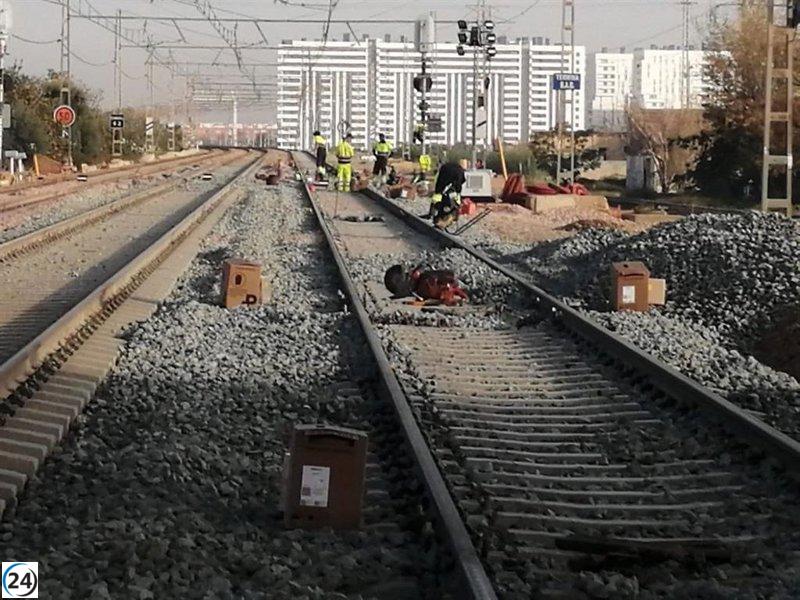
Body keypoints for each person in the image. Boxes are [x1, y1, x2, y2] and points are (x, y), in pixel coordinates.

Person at [424, 162, 466, 229]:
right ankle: (444, 220)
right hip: (454, 192)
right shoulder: (459, 170)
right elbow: (463, 180)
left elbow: (438, 182)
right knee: (453, 206)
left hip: (444, 191)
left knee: (439, 202)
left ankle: (438, 219)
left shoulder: (444, 170)